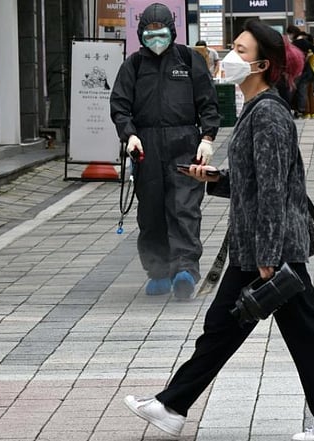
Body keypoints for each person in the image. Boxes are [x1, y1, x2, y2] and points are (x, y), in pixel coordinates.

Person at [123, 19, 314, 441]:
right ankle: (172, 406)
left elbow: (272, 190)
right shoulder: (258, 110)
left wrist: (268, 258)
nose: (230, 57)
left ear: (261, 65)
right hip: (259, 245)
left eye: (240, 50)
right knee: (226, 326)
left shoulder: (267, 113)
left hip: (272, 247)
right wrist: (215, 179)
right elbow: (256, 179)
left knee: (306, 332)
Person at [110, 3, 221, 299]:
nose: (155, 39)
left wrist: (207, 137)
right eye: (150, 34)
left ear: (172, 32)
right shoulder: (133, 65)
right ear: (141, 35)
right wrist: (129, 135)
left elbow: (208, 101)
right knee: (151, 210)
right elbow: (120, 105)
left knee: (184, 207)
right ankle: (157, 269)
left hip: (184, 142)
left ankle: (184, 268)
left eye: (160, 33)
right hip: (146, 145)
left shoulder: (188, 59)